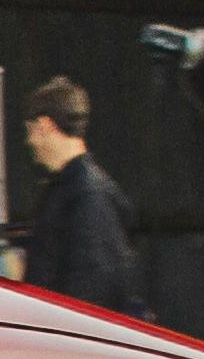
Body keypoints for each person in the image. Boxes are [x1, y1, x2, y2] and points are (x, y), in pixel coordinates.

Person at [17, 75, 152, 316]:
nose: (29, 141)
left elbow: (94, 283)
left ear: (45, 126)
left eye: (30, 131)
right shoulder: (75, 188)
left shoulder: (87, 194)